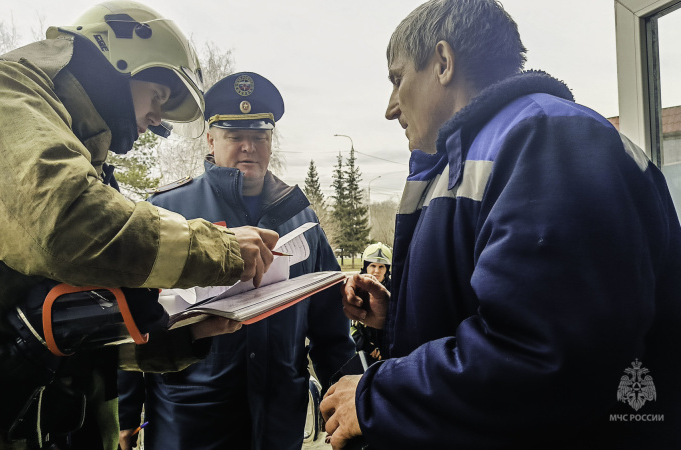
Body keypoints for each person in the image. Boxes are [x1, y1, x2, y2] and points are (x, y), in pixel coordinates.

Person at [0, 2, 279, 449]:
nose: (157, 120)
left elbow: (63, 323)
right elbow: (66, 229)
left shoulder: (75, 155)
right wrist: (220, 250)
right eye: (159, 98)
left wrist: (183, 335)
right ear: (120, 60)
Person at [320, 0, 681, 449]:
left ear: (444, 63)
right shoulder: (466, 159)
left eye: (397, 79)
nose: (391, 107)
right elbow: (508, 310)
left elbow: (546, 357)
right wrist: (396, 316)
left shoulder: (550, 139)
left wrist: (379, 396)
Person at [117, 72, 355, 450]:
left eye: (260, 136)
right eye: (234, 136)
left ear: (271, 142)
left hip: (277, 425)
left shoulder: (302, 220)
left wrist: (348, 403)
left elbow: (331, 332)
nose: (249, 147)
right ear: (211, 140)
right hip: (191, 425)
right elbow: (132, 318)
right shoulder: (166, 213)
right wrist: (126, 414)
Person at [350, 242, 391, 361]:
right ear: (365, 266)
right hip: (363, 353)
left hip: (389, 354)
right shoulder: (353, 290)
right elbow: (348, 326)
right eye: (372, 265)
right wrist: (365, 346)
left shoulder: (395, 291)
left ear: (387, 269)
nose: (376, 271)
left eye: (381, 266)